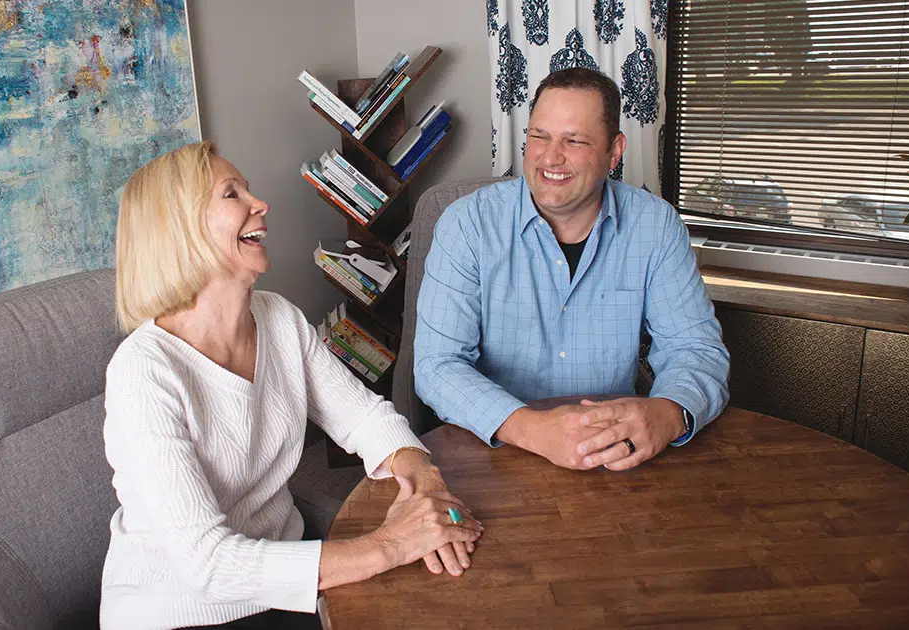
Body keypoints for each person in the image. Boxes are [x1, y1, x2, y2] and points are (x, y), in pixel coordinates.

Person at [101, 141, 483, 630]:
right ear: (179, 230)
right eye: (231, 194)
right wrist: (393, 543)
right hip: (183, 610)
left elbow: (366, 419)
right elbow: (209, 567)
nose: (260, 203)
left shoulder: (278, 317)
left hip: (287, 583)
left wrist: (425, 483)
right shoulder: (143, 372)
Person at [414, 67, 729, 473]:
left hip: (614, 454)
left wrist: (667, 414)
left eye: (574, 141)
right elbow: (437, 365)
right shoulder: (467, 224)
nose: (550, 157)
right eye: (538, 136)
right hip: (497, 451)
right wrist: (536, 430)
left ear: (614, 152)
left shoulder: (655, 225)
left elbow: (696, 349)